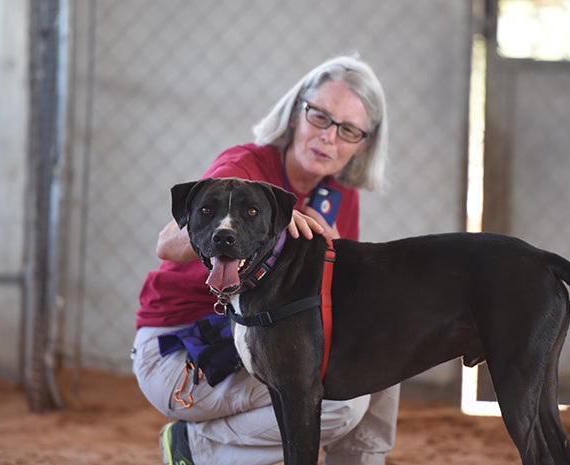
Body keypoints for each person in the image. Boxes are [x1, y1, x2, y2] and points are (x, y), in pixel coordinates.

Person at [132, 55, 400, 465]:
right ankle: (197, 447)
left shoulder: (338, 195)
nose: (329, 137)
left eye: (347, 129)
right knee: (337, 402)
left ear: (363, 143)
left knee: (379, 355)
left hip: (264, 341)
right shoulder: (246, 168)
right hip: (182, 351)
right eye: (320, 117)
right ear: (296, 113)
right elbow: (167, 245)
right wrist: (266, 217)